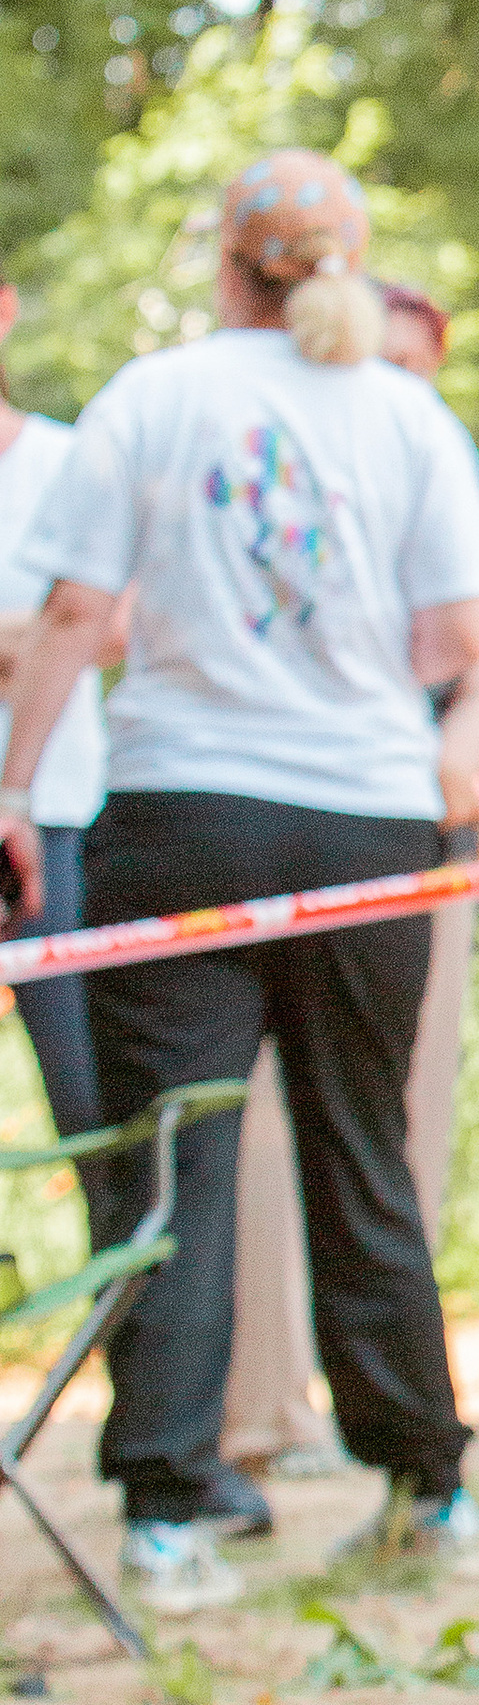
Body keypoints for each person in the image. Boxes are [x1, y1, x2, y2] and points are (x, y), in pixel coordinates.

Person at [0, 151, 479, 1610]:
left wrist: (19, 793)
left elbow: (74, 614)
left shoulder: (151, 398)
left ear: (224, 257)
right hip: (362, 822)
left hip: (181, 815)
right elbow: (460, 635)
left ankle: (170, 1505)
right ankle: (428, 1486)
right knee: (362, 1151)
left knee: (176, 1153)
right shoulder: (408, 416)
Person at [221, 279, 479, 1473]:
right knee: (249, 1143)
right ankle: (258, 1408)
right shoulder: (268, 481)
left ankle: (381, 1417)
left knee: (385, 1137)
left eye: (410, 362)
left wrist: (459, 750)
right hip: (271, 825)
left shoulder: (427, 476)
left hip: (407, 843)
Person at [0, 280, 115, 1179]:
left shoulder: (69, 461)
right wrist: (35, 632)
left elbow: (118, 623)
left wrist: (49, 637)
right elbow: (67, 625)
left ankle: (131, 1319)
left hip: (61, 815)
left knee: (91, 1106)